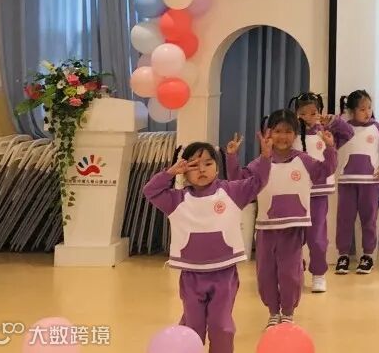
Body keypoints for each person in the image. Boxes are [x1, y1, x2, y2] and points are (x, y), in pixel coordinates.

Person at [142, 134, 272, 352]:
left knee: (221, 326)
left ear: (217, 168)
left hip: (224, 274)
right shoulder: (176, 199)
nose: (201, 169)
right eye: (194, 165)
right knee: (193, 326)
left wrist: (266, 158)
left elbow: (258, 182)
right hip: (191, 275)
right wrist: (170, 173)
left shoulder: (231, 192)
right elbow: (150, 191)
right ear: (184, 171)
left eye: (208, 163)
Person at [227, 109, 337, 327]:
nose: (283, 136)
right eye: (278, 131)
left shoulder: (303, 160)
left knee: (290, 273)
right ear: (269, 133)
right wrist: (231, 157)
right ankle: (273, 312)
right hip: (266, 227)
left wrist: (330, 148)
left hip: (293, 228)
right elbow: (238, 181)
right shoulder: (260, 163)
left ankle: (287, 312)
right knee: (265, 273)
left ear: (295, 134)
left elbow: (326, 170)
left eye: (288, 131)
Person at [290, 92, 354, 292]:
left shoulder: (326, 132)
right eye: (302, 113)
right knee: (293, 237)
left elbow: (349, 133)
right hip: (294, 193)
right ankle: (294, 270)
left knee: (317, 237)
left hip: (318, 193)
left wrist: (333, 121)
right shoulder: (291, 133)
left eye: (313, 113)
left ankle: (318, 274)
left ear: (320, 112)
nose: (307, 117)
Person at [334, 89, 379, 276]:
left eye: (369, 108)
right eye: (362, 109)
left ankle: (367, 255)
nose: (367, 112)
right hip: (346, 181)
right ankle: (343, 255)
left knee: (369, 220)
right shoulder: (344, 129)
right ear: (352, 111)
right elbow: (332, 146)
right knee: (344, 220)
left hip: (370, 183)